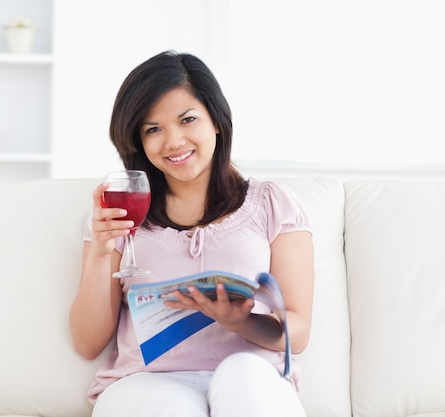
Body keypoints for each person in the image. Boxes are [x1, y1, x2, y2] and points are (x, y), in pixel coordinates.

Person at [69, 50, 314, 417]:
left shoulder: (273, 204)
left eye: (187, 120)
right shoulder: (118, 214)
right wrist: (101, 253)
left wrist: (238, 321)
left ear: (216, 120)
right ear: (138, 141)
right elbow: (87, 344)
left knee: (242, 372)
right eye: (153, 129)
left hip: (250, 377)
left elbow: (299, 331)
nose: (173, 141)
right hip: (146, 384)